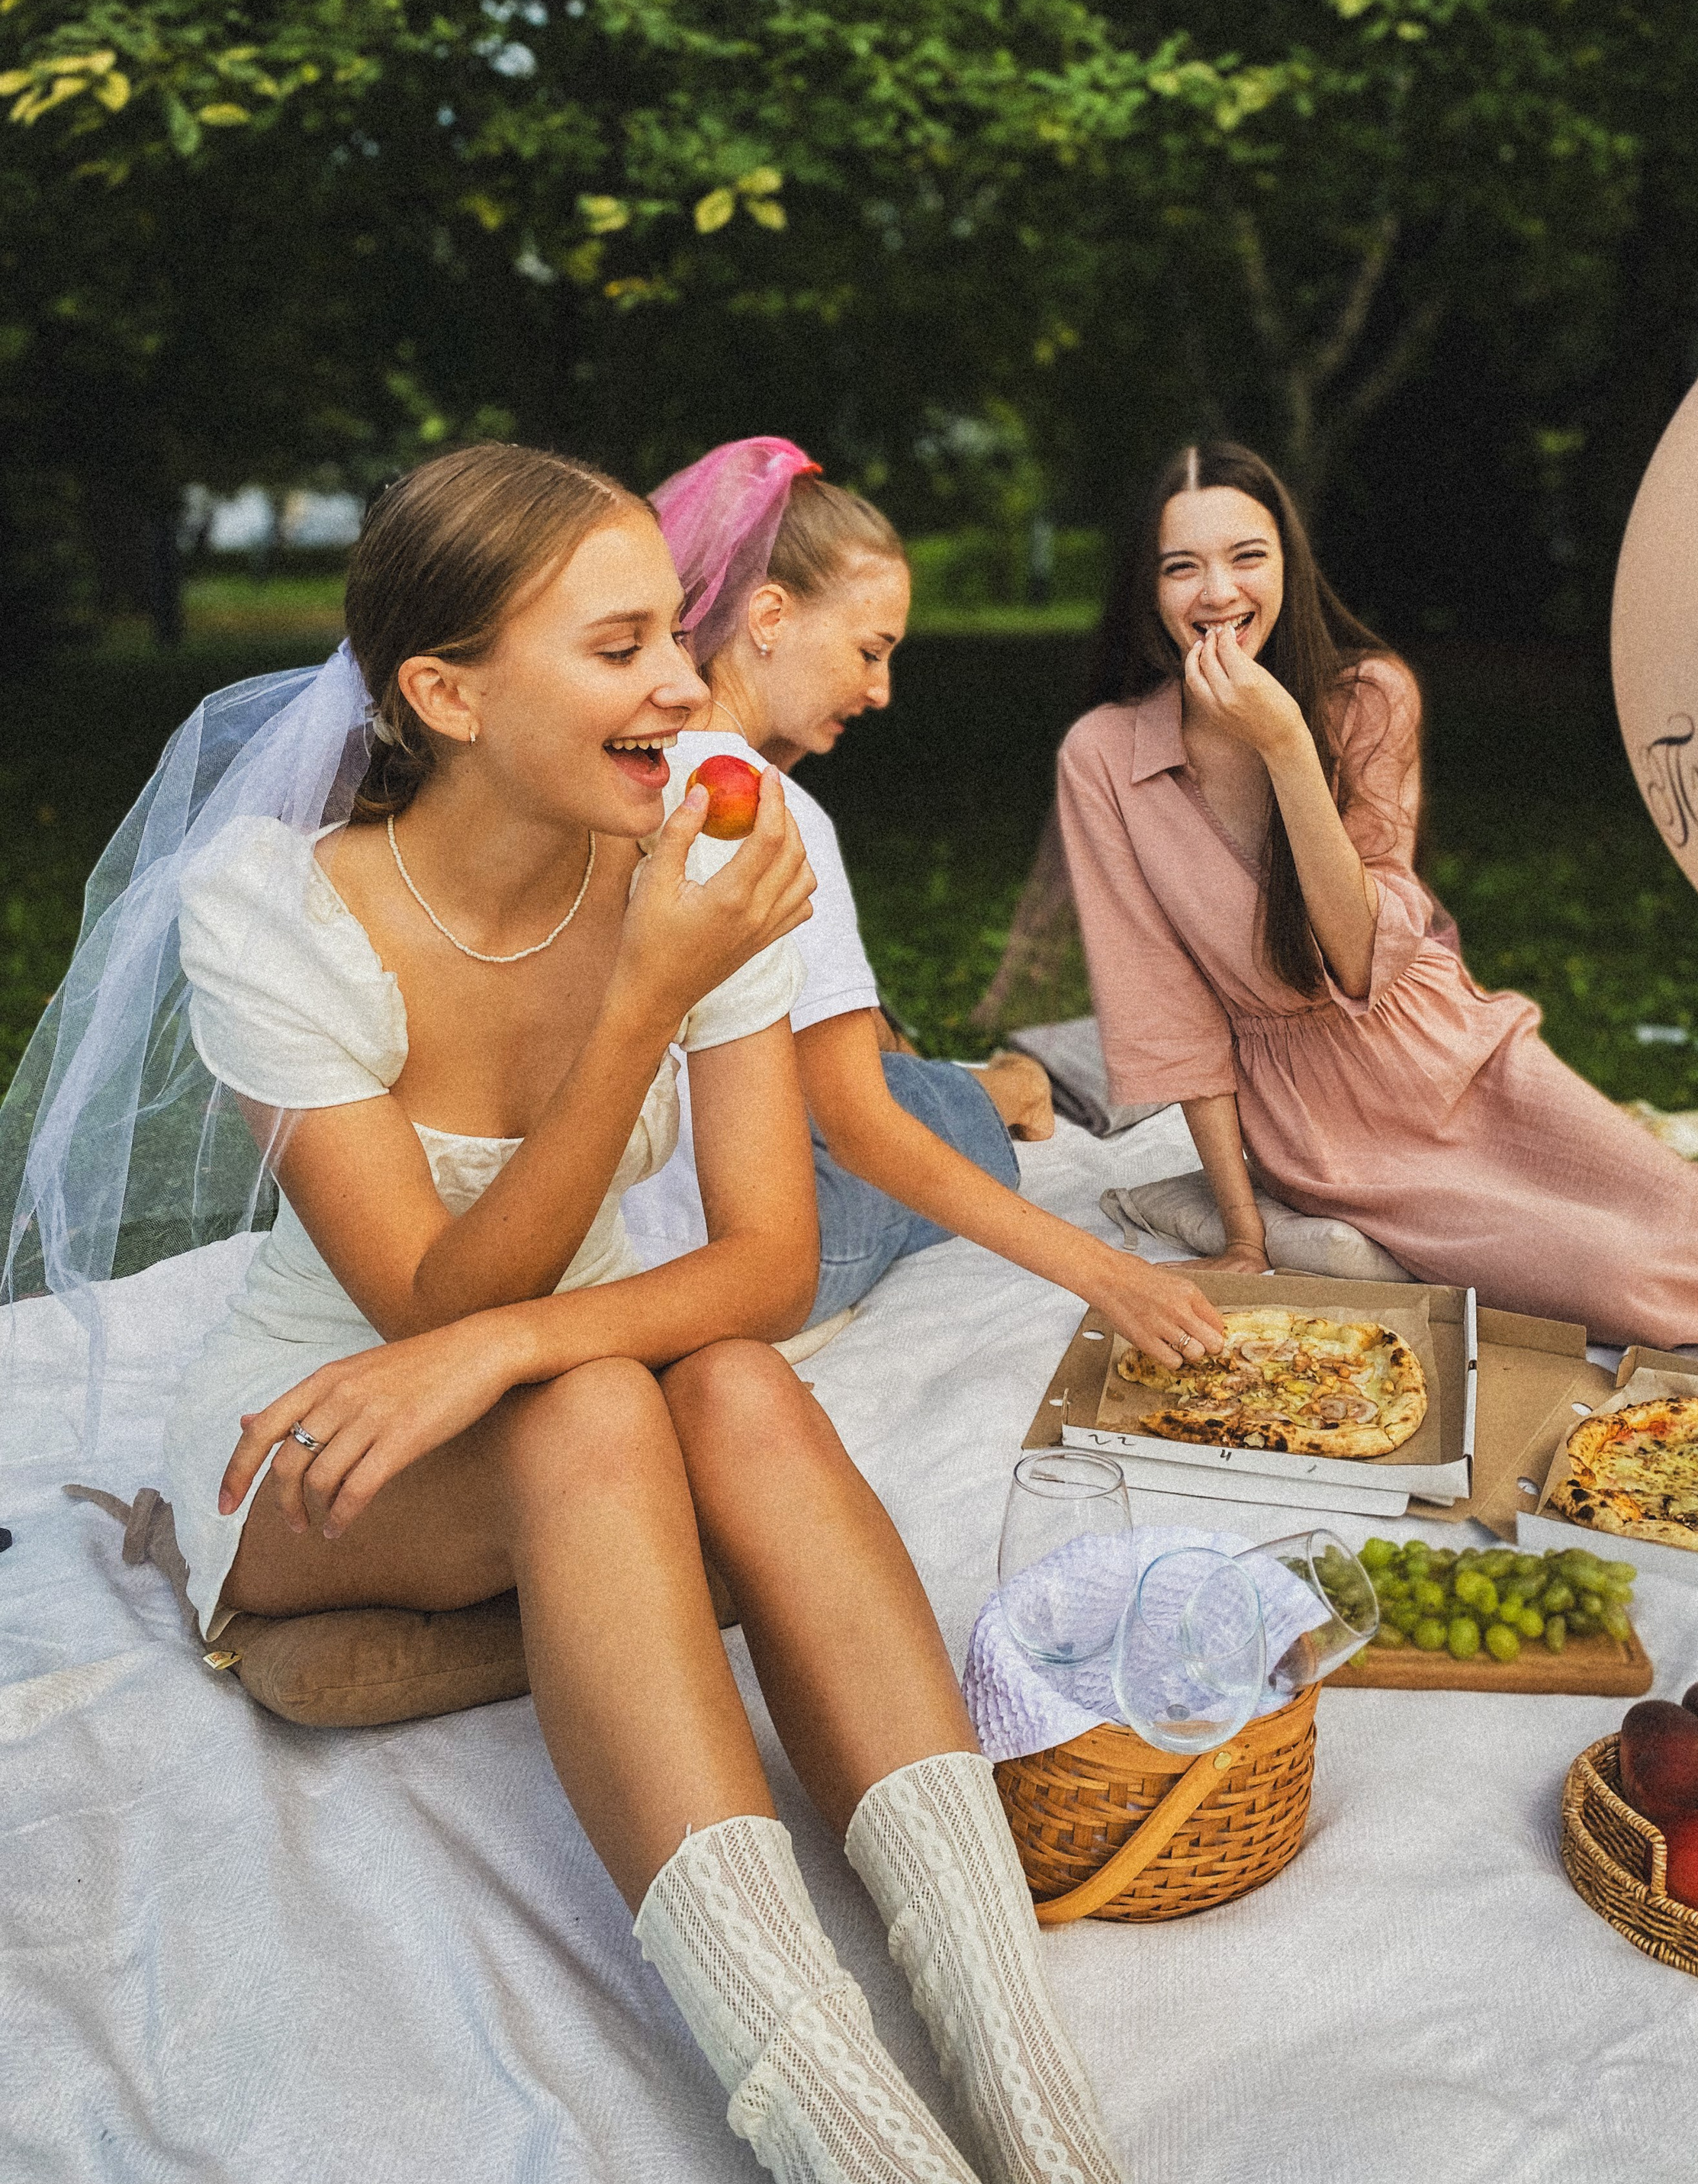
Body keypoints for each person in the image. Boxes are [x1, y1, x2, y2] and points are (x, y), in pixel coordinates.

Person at [5, 442, 1125, 2184]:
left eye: (670, 637)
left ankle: (1030, 2084)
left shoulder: (712, 846)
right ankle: (833, 2120)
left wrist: (517, 1340)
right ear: (443, 690)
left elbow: (759, 1257)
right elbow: (425, 1300)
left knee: (738, 1386)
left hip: (568, 1375)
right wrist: (640, 1003)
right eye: (621, 649)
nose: (684, 681)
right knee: (625, 1410)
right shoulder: (277, 907)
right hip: (328, 1437)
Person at [1054, 439, 1698, 1356]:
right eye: (1182, 567)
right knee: (1616, 1278)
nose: (1217, 593)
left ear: (1287, 564)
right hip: (1323, 1126)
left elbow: (1361, 955)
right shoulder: (1104, 757)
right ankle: (1692, 1189)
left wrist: (1288, 744)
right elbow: (1164, 1017)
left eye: (1248, 556)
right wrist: (1245, 1235)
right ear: (1147, 588)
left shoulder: (1368, 696)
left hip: (1446, 1051)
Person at [629, 436, 1231, 1374]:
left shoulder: (619, 772)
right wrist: (1108, 1273)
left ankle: (991, 1080)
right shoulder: (772, 816)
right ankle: (1009, 1088)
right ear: (770, 615)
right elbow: (863, 1127)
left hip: (626, 1225)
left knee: (872, 1065)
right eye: (870, 651)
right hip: (730, 1257)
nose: (880, 690)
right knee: (932, 1111)